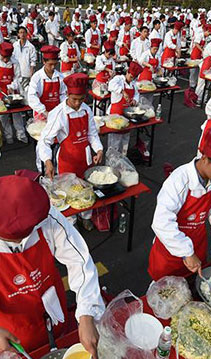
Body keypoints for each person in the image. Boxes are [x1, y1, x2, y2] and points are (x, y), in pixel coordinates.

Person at [0, 174, 105, 354]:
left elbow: (79, 261)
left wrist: (86, 314)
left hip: (52, 305)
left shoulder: (44, 215)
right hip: (12, 324)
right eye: (14, 239)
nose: (23, 241)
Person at [148, 125, 211, 280]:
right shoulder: (179, 181)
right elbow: (161, 222)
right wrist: (186, 252)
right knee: (165, 291)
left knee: (194, 285)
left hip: (197, 243)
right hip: (171, 249)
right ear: (204, 158)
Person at [36, 72, 103, 229]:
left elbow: (92, 133)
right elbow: (45, 140)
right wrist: (48, 162)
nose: (78, 103)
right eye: (74, 99)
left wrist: (98, 149)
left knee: (86, 189)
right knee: (69, 193)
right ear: (67, 94)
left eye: (81, 99)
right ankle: (71, 223)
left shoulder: (86, 110)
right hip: (68, 161)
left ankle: (86, 216)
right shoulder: (58, 114)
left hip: (85, 159)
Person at [0, 41, 26, 145]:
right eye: (4, 57)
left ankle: (21, 135)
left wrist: (12, 86)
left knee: (16, 114)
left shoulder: (15, 62)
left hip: (12, 92)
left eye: (8, 57)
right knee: (3, 116)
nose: (6, 59)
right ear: (0, 54)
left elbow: (18, 77)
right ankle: (8, 136)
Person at [107, 61, 143, 154]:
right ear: (127, 72)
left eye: (134, 78)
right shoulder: (118, 79)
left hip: (127, 115)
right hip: (116, 114)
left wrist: (134, 100)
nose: (131, 79)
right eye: (131, 77)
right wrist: (122, 92)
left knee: (125, 139)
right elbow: (110, 85)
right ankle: (112, 161)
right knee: (115, 141)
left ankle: (123, 159)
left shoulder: (133, 84)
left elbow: (136, 94)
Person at [28, 45, 67, 120]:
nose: (53, 67)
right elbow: (32, 97)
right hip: (41, 113)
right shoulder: (37, 77)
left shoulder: (60, 77)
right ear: (44, 62)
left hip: (57, 113)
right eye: (50, 64)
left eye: (55, 64)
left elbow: (62, 94)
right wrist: (44, 111)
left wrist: (64, 106)